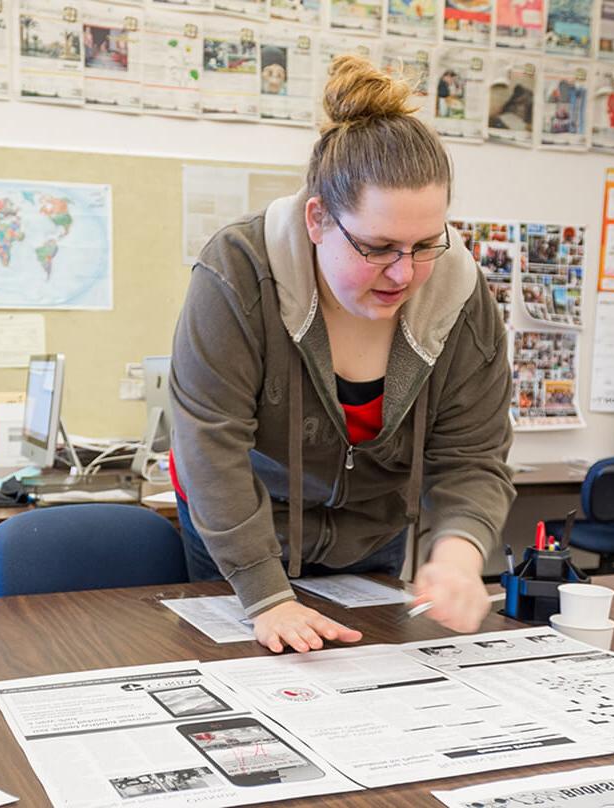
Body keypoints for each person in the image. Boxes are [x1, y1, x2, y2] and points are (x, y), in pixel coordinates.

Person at [169, 55, 514, 655]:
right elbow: (209, 444)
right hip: (242, 530)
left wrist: (459, 553)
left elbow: (473, 454)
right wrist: (266, 596)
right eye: (378, 247)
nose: (405, 273)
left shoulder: (459, 294)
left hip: (371, 534)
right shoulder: (237, 272)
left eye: (426, 244)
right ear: (318, 219)